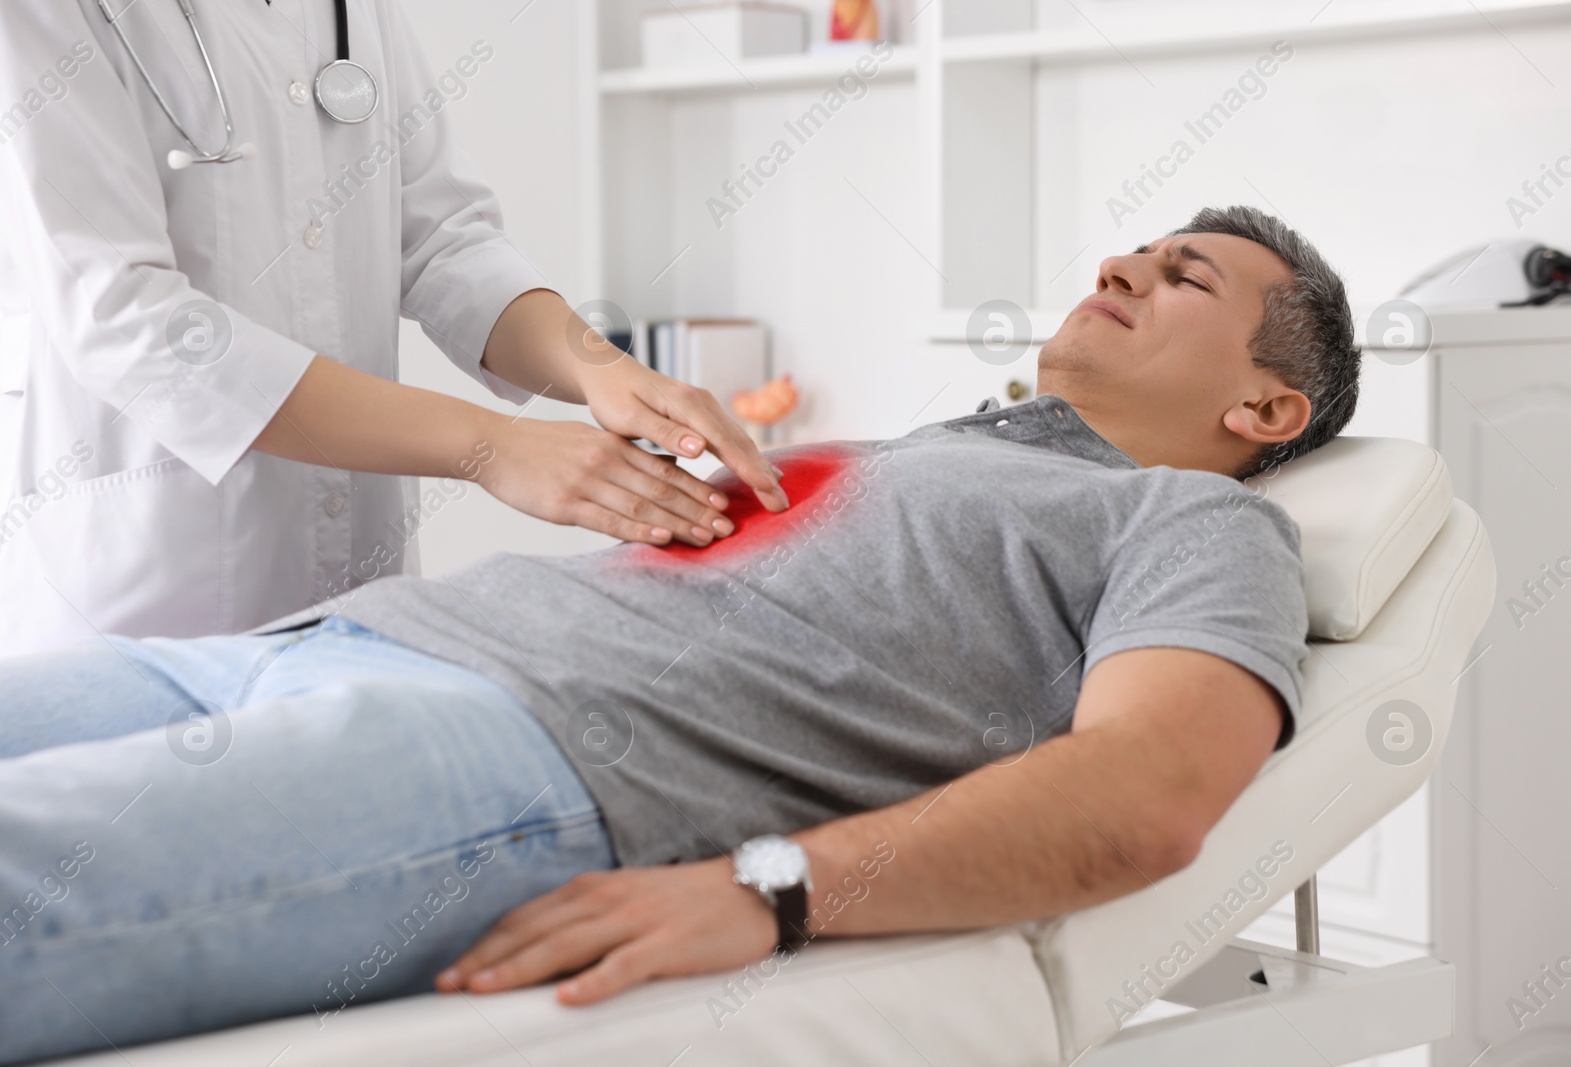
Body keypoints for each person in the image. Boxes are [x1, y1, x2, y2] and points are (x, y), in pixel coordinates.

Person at [0, 206, 1362, 1063]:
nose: (1123, 259)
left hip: (529, 754)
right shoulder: (925, 446)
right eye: (1142, 244)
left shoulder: (1194, 524)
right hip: (335, 639)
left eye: (1184, 275)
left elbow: (1149, 793)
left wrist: (770, 884)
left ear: (1265, 409)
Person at [0, 1, 785, 657]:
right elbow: (130, 321)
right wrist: (492, 447)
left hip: (361, 602)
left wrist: (599, 369)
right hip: (150, 601)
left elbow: (443, 238)